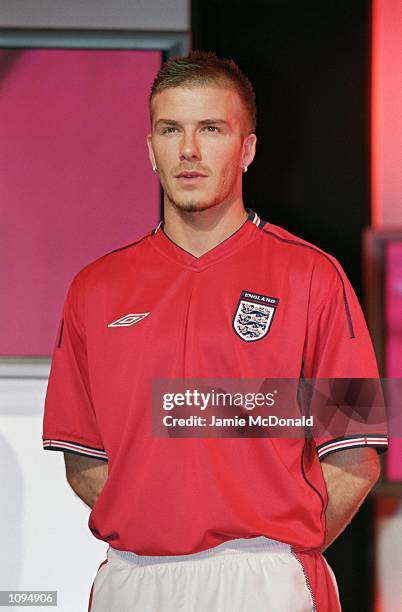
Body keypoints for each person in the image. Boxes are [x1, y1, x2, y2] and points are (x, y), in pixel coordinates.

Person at [42, 52, 387, 611]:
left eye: (211, 129)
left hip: (266, 576)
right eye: (170, 129)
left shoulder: (313, 276)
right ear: (150, 147)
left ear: (247, 149)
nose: (189, 151)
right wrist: (158, 532)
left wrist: (277, 552)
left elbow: (356, 456)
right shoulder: (94, 288)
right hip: (135, 580)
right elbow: (82, 458)